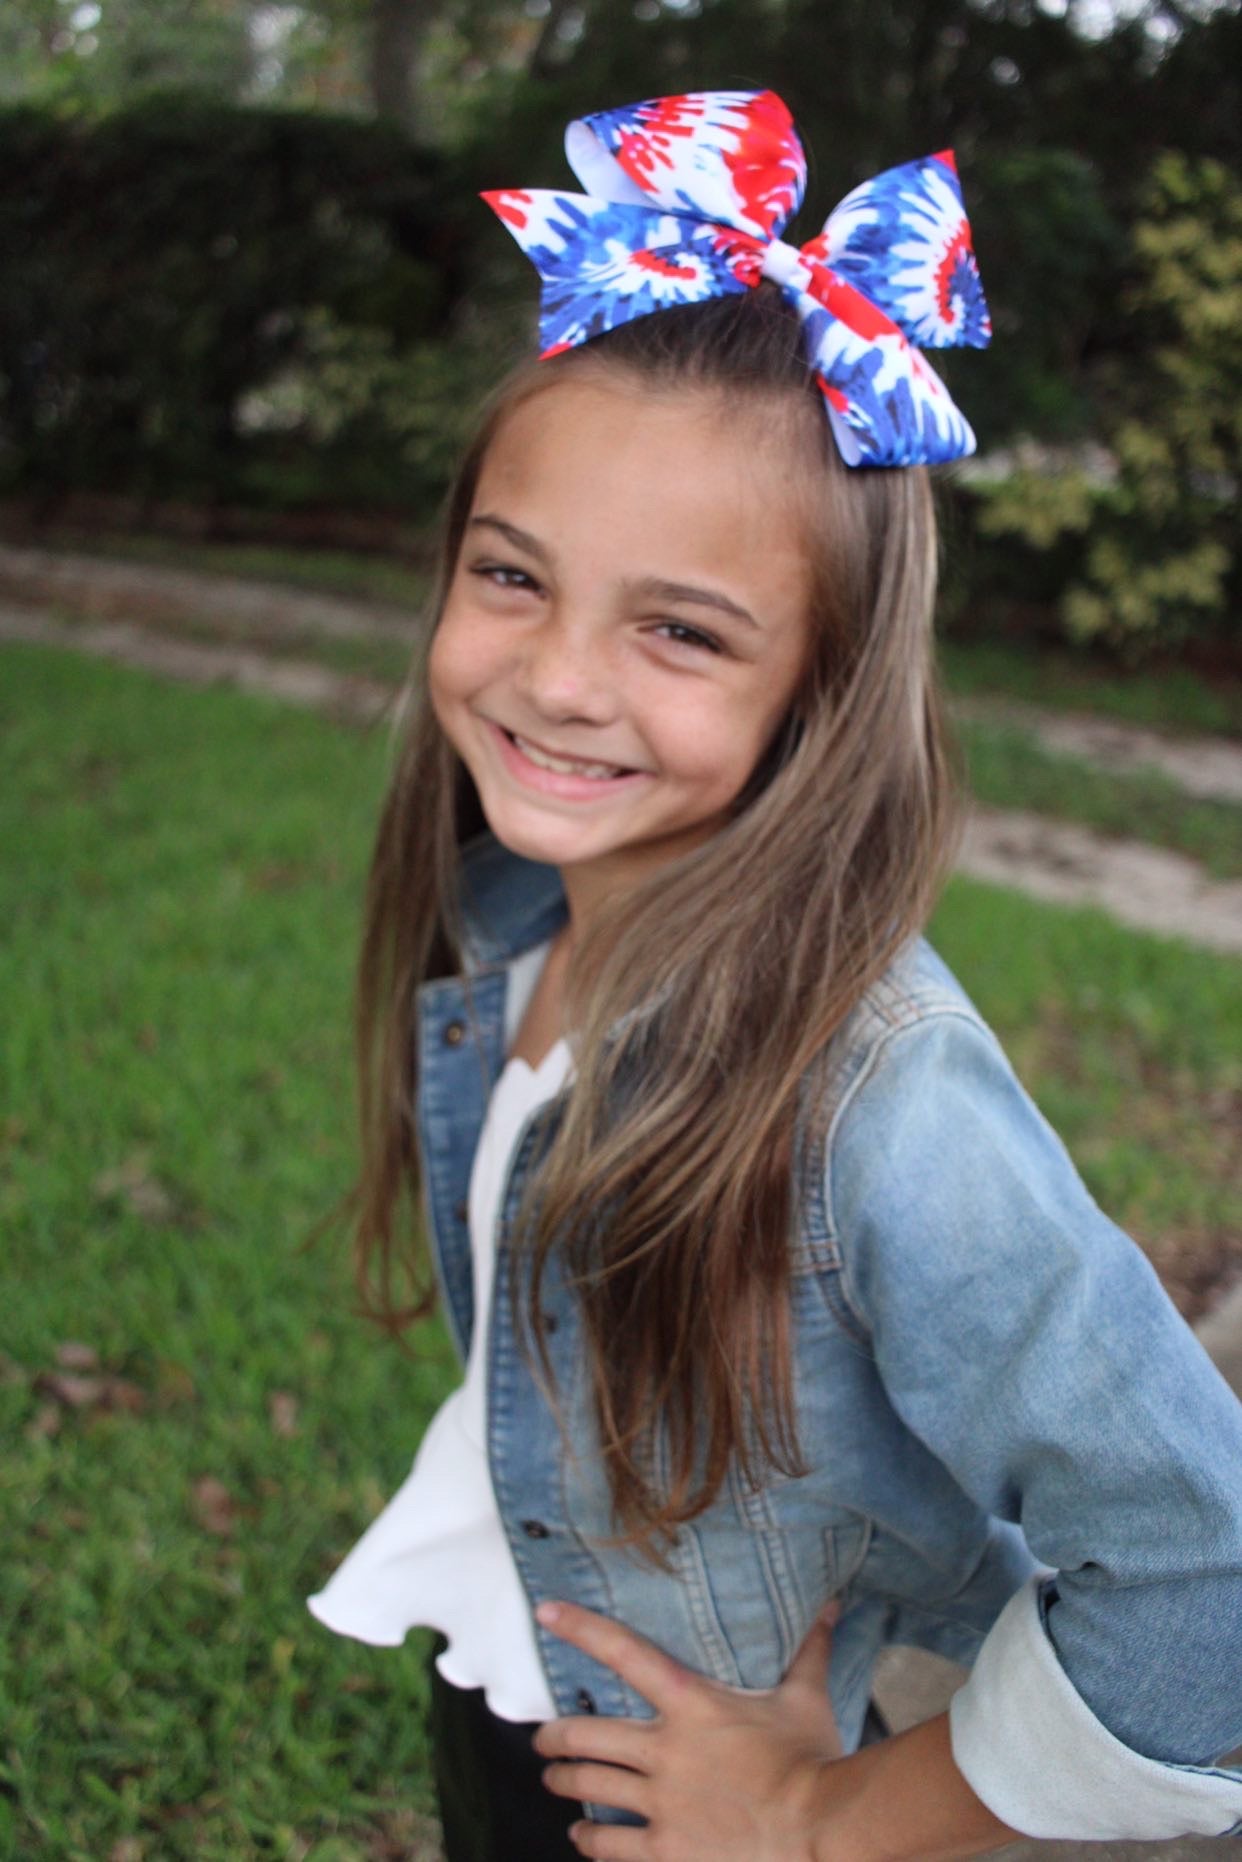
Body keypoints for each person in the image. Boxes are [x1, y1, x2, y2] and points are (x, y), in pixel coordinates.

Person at [307, 89, 1242, 1861]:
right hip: (530, 1706)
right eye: (513, 576)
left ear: (817, 690)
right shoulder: (513, 910)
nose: (558, 677)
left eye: (677, 628)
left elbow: (1214, 1581)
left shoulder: (879, 1098)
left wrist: (829, 1821)